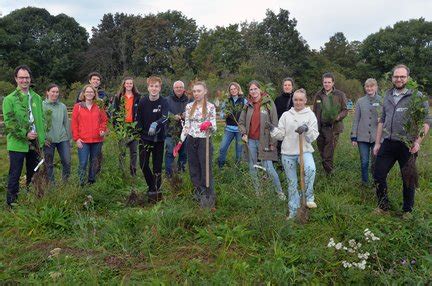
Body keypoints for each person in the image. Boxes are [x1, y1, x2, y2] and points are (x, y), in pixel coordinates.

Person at [373, 64, 431, 215]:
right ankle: (383, 206)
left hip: (408, 144)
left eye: (402, 76)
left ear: (408, 78)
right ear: (392, 78)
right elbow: (382, 120)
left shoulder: (417, 97)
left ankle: (407, 211)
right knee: (378, 174)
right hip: (388, 142)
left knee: (408, 178)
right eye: (396, 76)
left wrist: (417, 142)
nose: (399, 79)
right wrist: (378, 142)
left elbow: (426, 121)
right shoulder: (387, 95)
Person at [270, 89, 319, 218]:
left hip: (304, 151)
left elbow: (313, 135)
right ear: (293, 100)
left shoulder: (310, 114)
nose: (298, 102)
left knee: (311, 169)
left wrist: (306, 129)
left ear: (305, 100)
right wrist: (273, 130)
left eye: (300, 100)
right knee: (292, 183)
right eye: (296, 100)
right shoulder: (286, 115)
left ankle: (308, 197)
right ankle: (293, 210)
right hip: (288, 152)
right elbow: (281, 135)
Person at [3, 65, 46, 206]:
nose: (24, 80)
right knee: (15, 174)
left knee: (34, 172)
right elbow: (9, 123)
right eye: (21, 77)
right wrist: (25, 134)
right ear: (16, 79)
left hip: (35, 143)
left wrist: (42, 138)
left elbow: (42, 119)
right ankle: (11, 204)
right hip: (17, 143)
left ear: (30, 78)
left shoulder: (37, 98)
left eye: (26, 77)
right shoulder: (9, 99)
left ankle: (32, 199)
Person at [238, 80, 285, 200]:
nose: (253, 91)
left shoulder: (268, 103)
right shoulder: (247, 105)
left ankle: (279, 192)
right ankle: (258, 192)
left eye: (255, 89)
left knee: (268, 167)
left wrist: (273, 142)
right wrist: (243, 133)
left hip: (265, 141)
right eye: (251, 89)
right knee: (252, 167)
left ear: (260, 90)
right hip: (251, 141)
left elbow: (274, 123)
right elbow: (241, 122)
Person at [174, 81, 217, 208]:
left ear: (205, 92)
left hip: (204, 140)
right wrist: (180, 142)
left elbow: (214, 126)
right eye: (194, 91)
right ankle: (198, 191)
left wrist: (209, 125)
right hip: (191, 140)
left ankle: (208, 194)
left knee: (205, 168)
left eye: (199, 91)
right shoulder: (189, 107)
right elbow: (186, 126)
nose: (196, 93)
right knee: (193, 167)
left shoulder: (210, 107)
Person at [136, 76, 169, 203]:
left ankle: (156, 191)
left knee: (157, 166)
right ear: (148, 87)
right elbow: (138, 118)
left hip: (159, 139)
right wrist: (137, 130)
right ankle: (151, 185)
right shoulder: (143, 101)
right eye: (151, 86)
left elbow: (166, 117)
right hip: (144, 138)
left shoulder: (164, 101)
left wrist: (156, 123)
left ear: (160, 88)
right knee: (143, 164)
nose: (154, 88)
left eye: (156, 86)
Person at [71, 84, 108, 185]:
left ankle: (91, 181)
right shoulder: (77, 107)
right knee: (83, 162)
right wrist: (76, 139)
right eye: (87, 92)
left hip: (97, 139)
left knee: (94, 161)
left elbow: (104, 120)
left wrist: (102, 129)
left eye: (91, 92)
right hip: (83, 140)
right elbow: (74, 124)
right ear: (83, 93)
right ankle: (81, 183)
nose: (89, 94)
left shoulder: (99, 106)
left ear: (94, 93)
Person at [312, 72, 348, 175]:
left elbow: (345, 110)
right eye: (325, 82)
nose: (326, 84)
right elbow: (314, 111)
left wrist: (338, 116)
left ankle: (329, 173)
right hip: (320, 127)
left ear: (333, 83)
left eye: (329, 82)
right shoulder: (318, 95)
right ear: (322, 83)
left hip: (333, 128)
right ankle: (327, 169)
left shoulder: (340, 95)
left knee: (328, 152)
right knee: (322, 151)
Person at [350, 79, 382, 186]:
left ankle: (375, 182)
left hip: (376, 137)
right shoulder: (360, 101)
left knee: (375, 162)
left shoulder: (382, 100)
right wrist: (354, 136)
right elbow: (356, 119)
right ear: (365, 88)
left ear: (376, 87)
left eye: (371, 86)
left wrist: (382, 119)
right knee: (364, 162)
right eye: (367, 87)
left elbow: (386, 118)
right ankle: (365, 182)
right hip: (362, 137)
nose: (369, 88)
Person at [111, 77, 141, 176]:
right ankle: (122, 172)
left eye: (130, 83)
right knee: (122, 151)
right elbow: (114, 113)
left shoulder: (138, 96)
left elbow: (141, 112)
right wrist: (116, 127)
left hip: (133, 127)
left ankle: (133, 172)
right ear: (124, 85)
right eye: (127, 83)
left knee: (134, 152)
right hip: (122, 127)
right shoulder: (118, 97)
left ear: (133, 85)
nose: (128, 85)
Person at [43, 83, 71, 183]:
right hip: (48, 140)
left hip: (62, 138)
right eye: (53, 92)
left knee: (67, 161)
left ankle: (65, 183)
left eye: (57, 92)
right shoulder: (42, 106)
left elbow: (66, 122)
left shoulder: (62, 106)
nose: (55, 94)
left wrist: (69, 138)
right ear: (47, 92)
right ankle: (52, 185)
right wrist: (42, 139)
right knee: (48, 163)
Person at [217, 82, 247, 168]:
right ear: (229, 91)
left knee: (239, 151)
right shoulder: (226, 101)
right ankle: (221, 166)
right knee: (222, 148)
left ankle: (238, 168)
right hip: (229, 129)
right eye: (231, 89)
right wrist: (225, 115)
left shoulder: (243, 100)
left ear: (238, 89)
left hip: (239, 129)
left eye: (235, 89)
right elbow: (222, 113)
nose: (233, 91)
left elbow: (247, 113)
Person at [164, 80, 189, 176]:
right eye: (176, 87)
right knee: (170, 152)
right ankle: (169, 174)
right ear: (173, 89)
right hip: (171, 131)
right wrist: (172, 116)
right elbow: (164, 112)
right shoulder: (167, 100)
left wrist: (186, 114)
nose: (179, 89)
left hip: (185, 131)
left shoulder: (188, 100)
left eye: (180, 87)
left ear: (183, 89)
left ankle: (181, 172)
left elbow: (193, 111)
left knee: (183, 154)